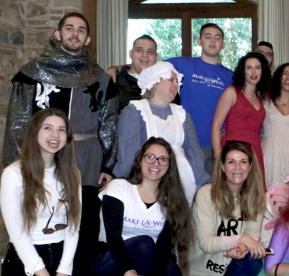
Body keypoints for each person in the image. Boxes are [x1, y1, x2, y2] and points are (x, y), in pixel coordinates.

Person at [2, 12, 119, 276]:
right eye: (69, 28)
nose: (75, 34)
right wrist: (19, 162)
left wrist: (107, 164)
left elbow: (108, 123)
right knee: (38, 217)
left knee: (85, 225)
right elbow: (18, 122)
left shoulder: (99, 78)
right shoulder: (32, 73)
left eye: (81, 30)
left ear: (88, 39)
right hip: (42, 158)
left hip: (87, 158)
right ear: (57, 34)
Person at [0, 108, 96, 276]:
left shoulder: (72, 174)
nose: (55, 135)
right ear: (35, 132)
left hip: (59, 257)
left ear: (67, 137)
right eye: (48, 128)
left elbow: (73, 227)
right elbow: (17, 235)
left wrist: (63, 272)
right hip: (25, 262)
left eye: (61, 129)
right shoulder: (14, 174)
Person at [92, 138, 192, 276]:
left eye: (163, 159)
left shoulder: (170, 199)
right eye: (151, 157)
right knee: (144, 243)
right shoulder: (119, 187)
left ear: (169, 165)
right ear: (140, 159)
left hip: (146, 263)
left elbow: (164, 246)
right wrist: (131, 275)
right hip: (111, 263)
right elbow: (113, 238)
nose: (156, 163)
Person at [184, 141, 267, 276]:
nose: (237, 167)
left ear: (250, 166)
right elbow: (206, 243)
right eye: (231, 162)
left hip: (228, 261)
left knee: (254, 261)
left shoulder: (256, 197)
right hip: (202, 268)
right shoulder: (206, 194)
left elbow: (252, 235)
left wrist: (242, 246)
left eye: (243, 162)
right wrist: (241, 238)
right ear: (222, 166)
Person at [114, 62, 209, 205]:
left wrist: (202, 184)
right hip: (147, 181)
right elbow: (127, 154)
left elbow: (194, 153)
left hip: (182, 181)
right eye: (171, 79)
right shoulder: (135, 111)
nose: (176, 85)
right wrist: (127, 184)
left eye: (177, 81)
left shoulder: (182, 114)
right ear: (155, 82)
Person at [166, 23, 235, 173]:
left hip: (218, 144)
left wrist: (226, 129)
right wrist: (117, 68)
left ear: (223, 44)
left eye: (217, 38)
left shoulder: (231, 76)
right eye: (207, 36)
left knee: (213, 187)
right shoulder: (182, 64)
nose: (212, 41)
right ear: (199, 41)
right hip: (187, 142)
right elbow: (147, 65)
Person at [211, 52, 272, 182]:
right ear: (243, 71)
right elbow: (216, 126)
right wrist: (218, 157)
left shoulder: (261, 97)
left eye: (257, 67)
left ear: (262, 72)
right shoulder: (231, 92)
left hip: (254, 152)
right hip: (232, 152)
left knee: (254, 191)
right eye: (249, 67)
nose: (253, 71)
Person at [107, 35, 180, 112]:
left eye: (150, 52)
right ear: (131, 54)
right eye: (139, 50)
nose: (145, 55)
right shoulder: (115, 82)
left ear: (156, 57)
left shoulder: (166, 84)